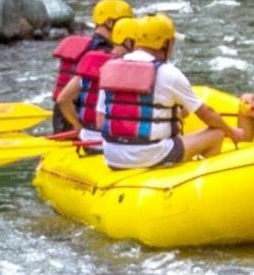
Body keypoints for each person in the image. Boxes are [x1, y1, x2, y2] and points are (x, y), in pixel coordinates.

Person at [93, 12, 236, 171]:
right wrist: (233, 132)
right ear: (164, 44)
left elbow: (101, 120)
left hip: (112, 156)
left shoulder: (110, 69)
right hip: (150, 155)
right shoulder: (168, 73)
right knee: (216, 133)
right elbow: (207, 114)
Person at [51, 0, 131, 139]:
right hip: (77, 125)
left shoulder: (85, 45)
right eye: (124, 23)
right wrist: (79, 127)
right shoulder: (105, 55)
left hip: (60, 120)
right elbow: (65, 98)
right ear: (109, 23)